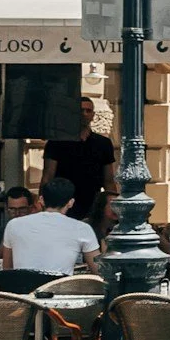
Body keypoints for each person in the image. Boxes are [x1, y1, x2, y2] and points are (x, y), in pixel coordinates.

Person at [41, 98, 117, 242]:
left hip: (92, 202)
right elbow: (47, 176)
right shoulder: (56, 142)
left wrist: (113, 205)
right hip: (63, 202)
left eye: (88, 110)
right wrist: (44, 203)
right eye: (80, 110)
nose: (84, 113)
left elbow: (109, 180)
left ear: (93, 115)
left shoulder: (103, 143)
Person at [1, 178, 102, 276]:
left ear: (41, 200)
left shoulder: (13, 225)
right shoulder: (82, 228)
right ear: (71, 202)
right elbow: (99, 270)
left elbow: (7, 270)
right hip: (60, 290)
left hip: (22, 291)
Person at [0, 186, 34, 262]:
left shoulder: (38, 230)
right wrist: (7, 239)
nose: (17, 213)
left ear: (30, 208)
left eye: (22, 209)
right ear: (7, 209)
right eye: (12, 209)